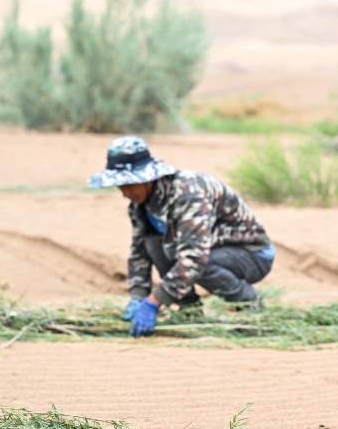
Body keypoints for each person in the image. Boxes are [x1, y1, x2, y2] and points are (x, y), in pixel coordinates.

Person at [88, 136, 275, 338]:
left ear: (147, 178)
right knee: (153, 244)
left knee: (199, 263)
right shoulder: (139, 206)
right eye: (120, 186)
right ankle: (189, 311)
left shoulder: (188, 193)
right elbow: (139, 253)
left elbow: (195, 258)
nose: (125, 193)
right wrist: (138, 296)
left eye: (129, 184)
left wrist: (154, 302)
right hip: (209, 251)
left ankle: (250, 306)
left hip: (252, 255)